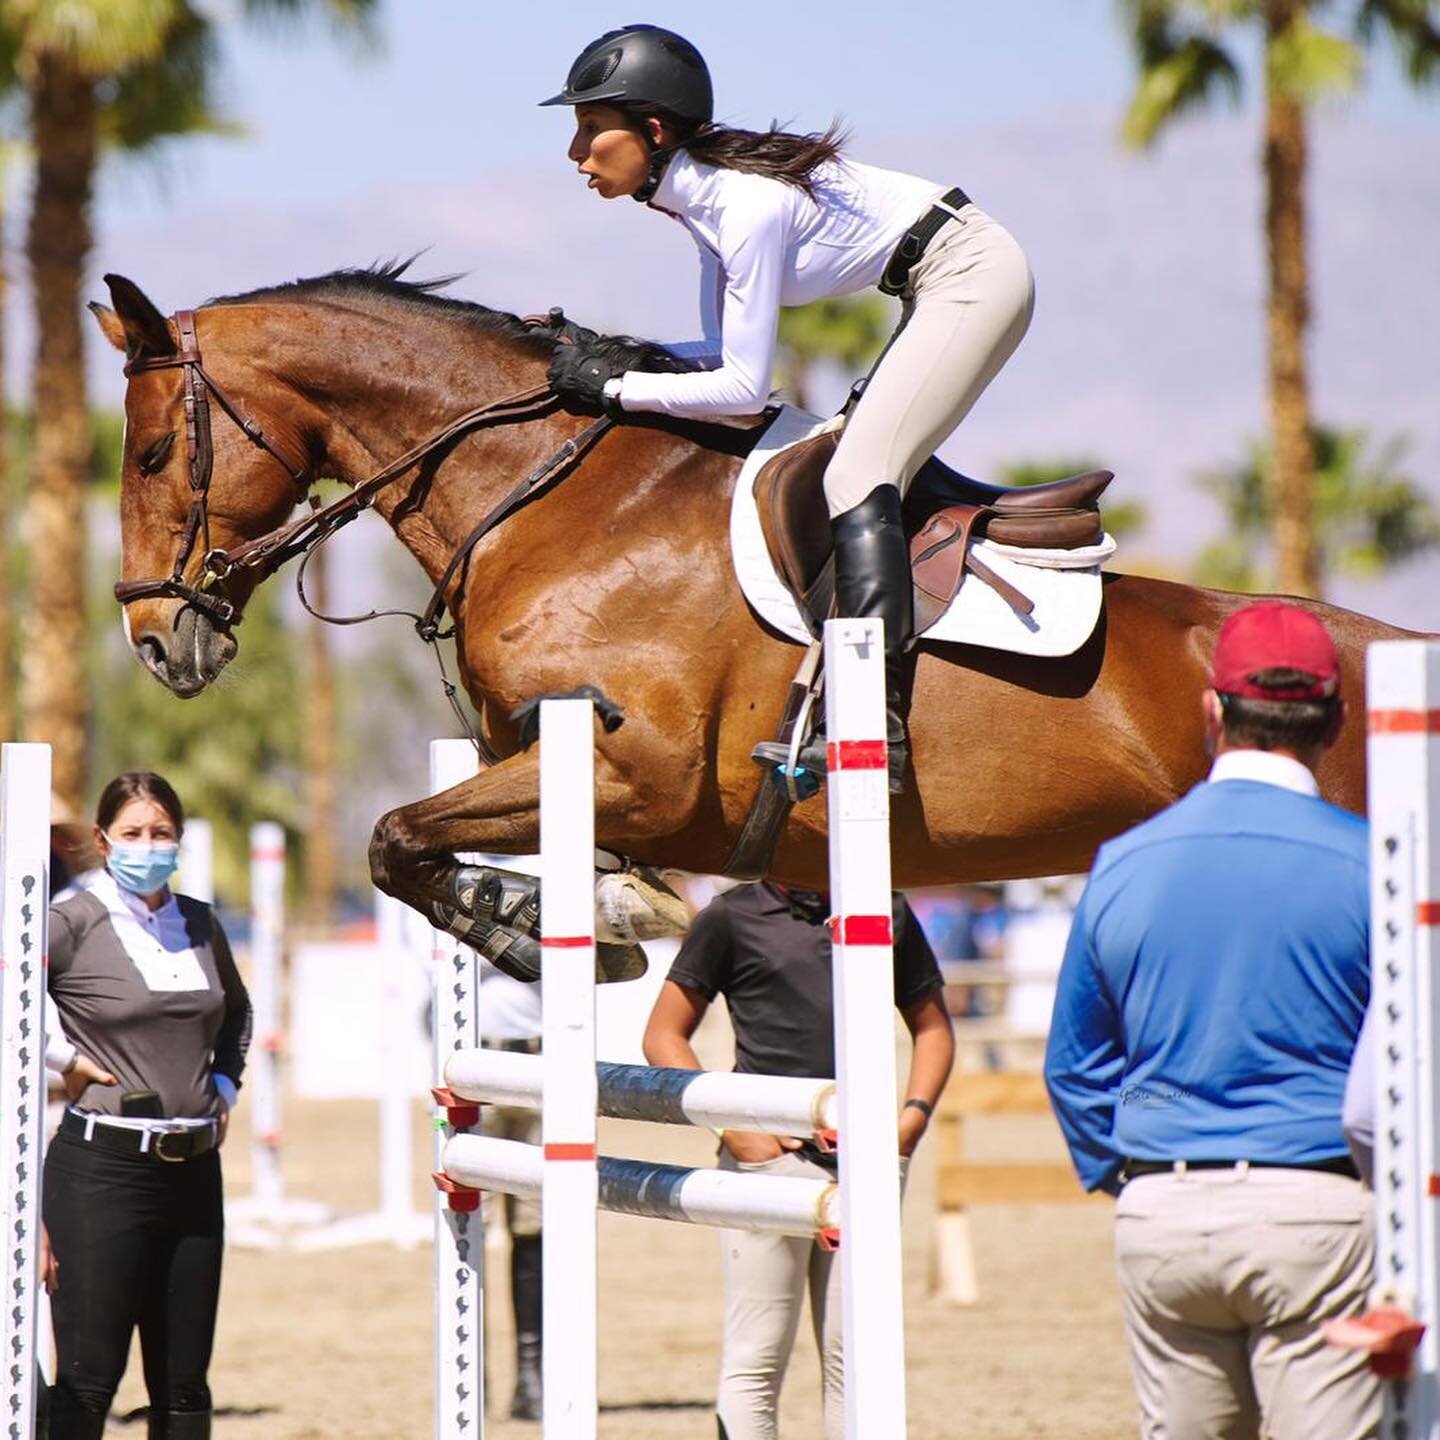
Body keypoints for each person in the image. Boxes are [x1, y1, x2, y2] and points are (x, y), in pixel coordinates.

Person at [541, 24, 1035, 791]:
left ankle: (875, 720)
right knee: (844, 455)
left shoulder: (741, 207)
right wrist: (610, 353)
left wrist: (611, 386)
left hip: (973, 274)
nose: (576, 153)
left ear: (653, 130)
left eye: (589, 129)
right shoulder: (701, 203)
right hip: (936, 282)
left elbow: (740, 394)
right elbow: (717, 349)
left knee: (855, 473)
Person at [1044, 601, 1378, 1440]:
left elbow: (1075, 1068)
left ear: (1211, 709)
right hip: (1319, 1204)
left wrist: (1132, 1180)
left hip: (1165, 1209)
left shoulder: (1121, 865)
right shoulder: (1376, 864)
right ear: (1335, 718)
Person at [643, 881, 954, 1440]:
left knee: (853, 1357)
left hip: (867, 1165)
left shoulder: (887, 906)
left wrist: (912, 1121)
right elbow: (664, 1035)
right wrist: (733, 1127)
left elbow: (932, 1027)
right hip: (765, 1165)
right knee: (757, 1354)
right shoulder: (731, 916)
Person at [43, 772, 251, 1440]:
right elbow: (11, 999)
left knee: (185, 1385)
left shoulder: (199, 921)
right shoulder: (69, 921)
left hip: (193, 1174)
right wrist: (62, 1059)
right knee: (89, 1378)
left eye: (161, 833)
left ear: (179, 840)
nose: (148, 846)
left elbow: (237, 1017)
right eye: (133, 834)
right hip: (101, 1173)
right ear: (104, 841)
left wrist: (223, 1088)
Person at [474, 855, 547, 1423]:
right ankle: (470, 1374)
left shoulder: (542, 866)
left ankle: (531, 1372)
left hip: (537, 1065)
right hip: (472, 1064)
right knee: (467, 1227)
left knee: (534, 1226)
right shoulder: (439, 869)